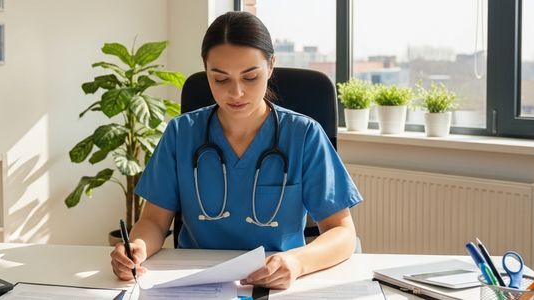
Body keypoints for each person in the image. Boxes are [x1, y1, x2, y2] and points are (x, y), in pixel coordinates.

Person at [110, 11, 363, 290]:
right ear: (206, 71)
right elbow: (154, 222)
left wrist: (297, 262)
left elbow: (342, 231)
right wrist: (137, 248)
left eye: (250, 77)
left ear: (270, 67)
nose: (236, 93)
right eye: (220, 79)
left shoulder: (304, 135)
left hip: (276, 284)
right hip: (194, 284)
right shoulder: (181, 134)